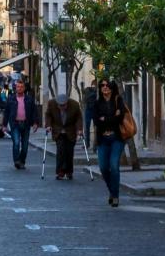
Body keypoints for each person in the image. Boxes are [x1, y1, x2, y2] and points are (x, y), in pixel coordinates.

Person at [89, 78, 128, 207]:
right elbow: (96, 122)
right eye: (102, 85)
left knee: (114, 166)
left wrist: (105, 118)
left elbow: (120, 118)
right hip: (103, 140)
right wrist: (112, 118)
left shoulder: (118, 101)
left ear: (112, 87)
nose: (105, 87)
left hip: (116, 139)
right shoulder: (96, 103)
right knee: (103, 167)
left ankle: (115, 196)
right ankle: (112, 191)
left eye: (107, 85)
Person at [2, 77, 39, 170]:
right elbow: (6, 112)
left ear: (24, 88)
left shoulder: (29, 99)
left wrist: (35, 123)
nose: (19, 88)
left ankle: (22, 161)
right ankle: (16, 161)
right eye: (18, 87)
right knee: (16, 143)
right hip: (15, 124)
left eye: (21, 87)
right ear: (15, 88)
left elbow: (34, 112)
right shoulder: (11, 99)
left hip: (26, 124)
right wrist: (4, 125)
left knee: (25, 145)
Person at [45, 92, 81, 180]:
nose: (61, 107)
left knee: (69, 152)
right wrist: (48, 125)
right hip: (58, 131)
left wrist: (79, 129)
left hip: (70, 130)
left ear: (67, 103)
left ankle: (69, 171)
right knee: (60, 151)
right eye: (60, 105)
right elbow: (48, 115)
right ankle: (60, 171)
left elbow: (79, 118)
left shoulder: (75, 105)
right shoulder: (51, 103)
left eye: (63, 105)